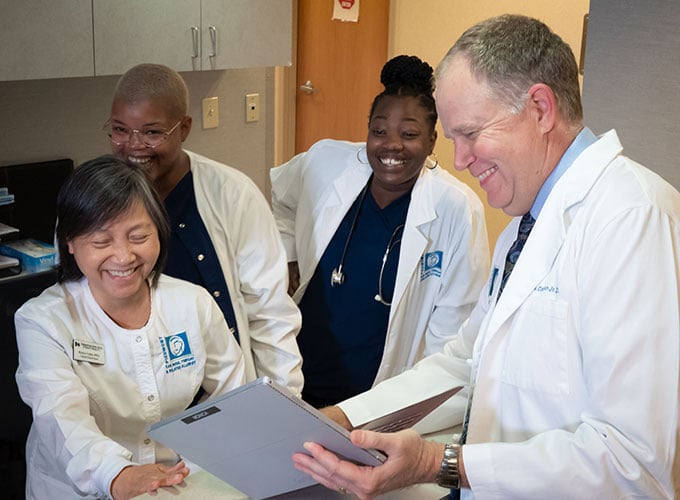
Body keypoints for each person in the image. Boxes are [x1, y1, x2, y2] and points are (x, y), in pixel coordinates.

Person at [291, 14, 680, 499]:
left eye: (470, 133)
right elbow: (463, 364)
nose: (459, 159)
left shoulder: (631, 216)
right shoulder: (526, 222)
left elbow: (631, 460)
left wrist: (441, 463)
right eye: (454, 138)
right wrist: (338, 422)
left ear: (540, 108)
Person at [15, 155, 247, 499]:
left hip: (176, 479)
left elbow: (235, 396)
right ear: (70, 242)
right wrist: (116, 474)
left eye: (138, 236)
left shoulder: (191, 303)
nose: (123, 257)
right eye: (101, 242)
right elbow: (60, 416)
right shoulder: (43, 320)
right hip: (77, 486)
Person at [270, 55, 489, 408]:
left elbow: (453, 330)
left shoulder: (456, 207)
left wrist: (417, 411)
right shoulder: (325, 161)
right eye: (379, 131)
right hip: (301, 373)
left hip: (378, 397)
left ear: (432, 140)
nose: (391, 145)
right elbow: (281, 198)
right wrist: (290, 253)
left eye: (409, 134)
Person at [104, 63, 303, 396]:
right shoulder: (91, 203)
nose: (133, 145)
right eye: (120, 130)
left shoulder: (233, 194)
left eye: (152, 133)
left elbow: (269, 313)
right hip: (127, 395)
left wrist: (286, 403)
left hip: (220, 391)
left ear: (184, 128)